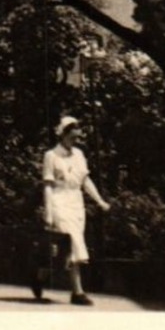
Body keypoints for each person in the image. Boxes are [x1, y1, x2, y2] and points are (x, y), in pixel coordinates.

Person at [42, 115, 112, 305]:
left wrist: (99, 201)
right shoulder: (51, 156)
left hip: (76, 203)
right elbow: (48, 185)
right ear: (63, 135)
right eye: (72, 137)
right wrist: (48, 211)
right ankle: (77, 292)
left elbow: (85, 181)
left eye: (77, 138)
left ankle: (41, 275)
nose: (76, 141)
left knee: (66, 247)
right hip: (59, 201)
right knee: (72, 242)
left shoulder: (79, 155)